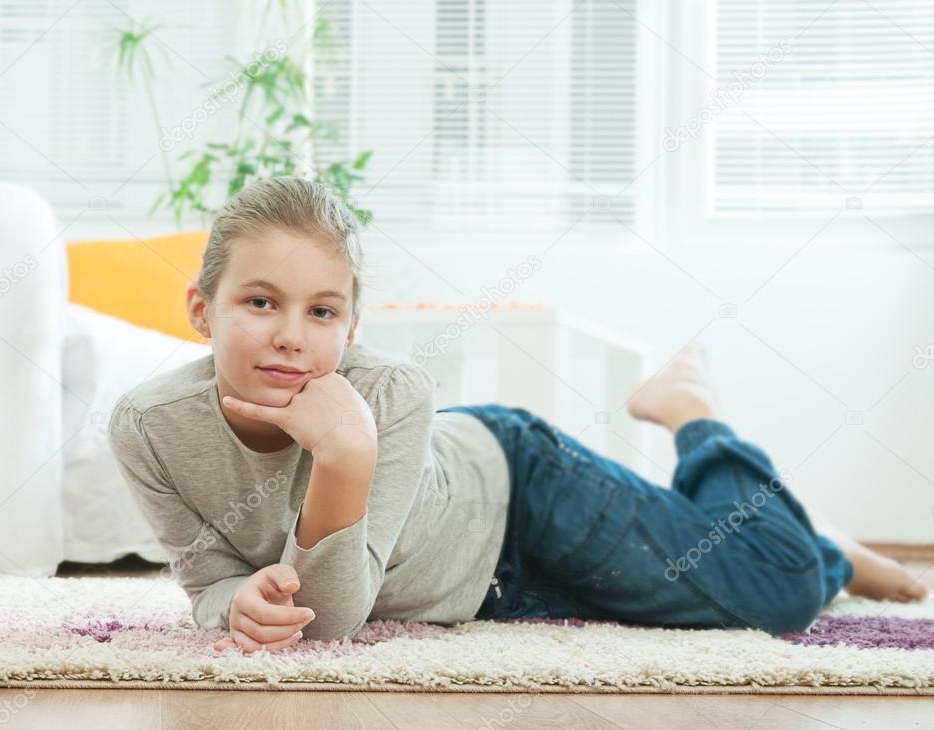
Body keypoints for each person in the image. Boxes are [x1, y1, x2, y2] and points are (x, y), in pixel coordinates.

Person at [108, 176, 926, 655]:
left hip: (522, 491)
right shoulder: (148, 428)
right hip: (482, 594)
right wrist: (233, 605)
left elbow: (329, 620)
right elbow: (221, 589)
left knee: (777, 594)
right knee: (711, 591)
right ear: (201, 309)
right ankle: (777, 528)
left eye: (322, 313)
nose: (291, 336)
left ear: (351, 329)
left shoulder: (387, 396)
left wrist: (348, 458)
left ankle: (696, 420)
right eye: (259, 301)